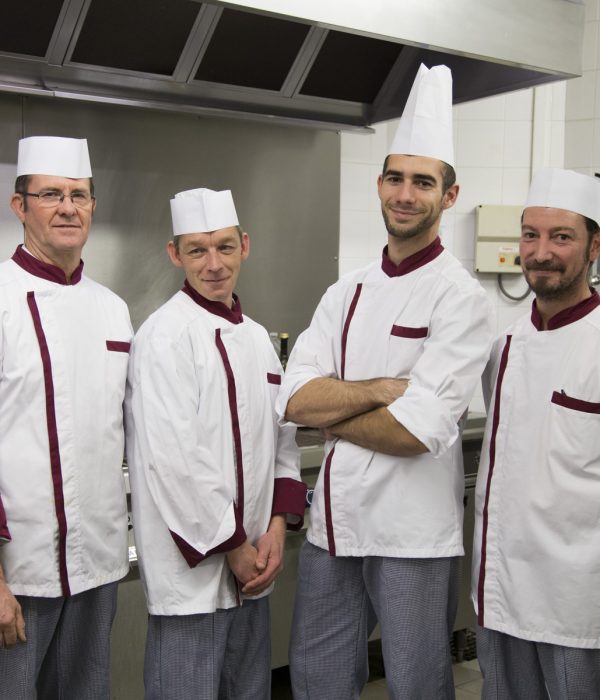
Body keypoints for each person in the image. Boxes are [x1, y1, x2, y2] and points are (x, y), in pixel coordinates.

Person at [278, 64, 494, 699]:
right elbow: (292, 400)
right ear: (379, 185)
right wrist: (376, 390)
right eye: (396, 178)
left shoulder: (460, 297)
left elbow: (414, 433)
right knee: (318, 678)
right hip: (332, 530)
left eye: (422, 183)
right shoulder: (345, 290)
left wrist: (329, 410)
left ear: (447, 196)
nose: (406, 194)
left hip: (411, 537)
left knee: (417, 685)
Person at [125, 187, 306, 699]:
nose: (213, 264)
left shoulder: (258, 338)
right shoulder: (163, 336)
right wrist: (234, 549)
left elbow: (282, 441)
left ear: (245, 246)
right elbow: (176, 460)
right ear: (174, 253)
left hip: (254, 565)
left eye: (225, 247)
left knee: (249, 691)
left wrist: (274, 531)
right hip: (199, 571)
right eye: (197, 250)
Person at [0, 136, 132, 698]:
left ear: (94, 205)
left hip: (98, 563)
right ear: (19, 205)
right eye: (50, 194)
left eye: (79, 194)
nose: (67, 207)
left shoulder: (112, 307)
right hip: (18, 569)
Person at [472, 168, 600, 699]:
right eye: (531, 235)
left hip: (578, 598)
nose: (541, 252)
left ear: (596, 247)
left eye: (561, 237)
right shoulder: (505, 346)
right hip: (499, 586)